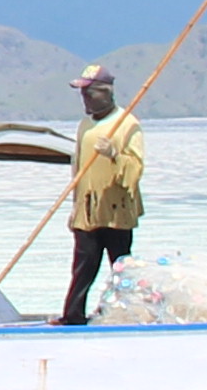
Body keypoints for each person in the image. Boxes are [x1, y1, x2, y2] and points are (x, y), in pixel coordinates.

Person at [57, 62, 146, 323]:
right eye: (82, 94)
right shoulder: (85, 125)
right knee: (83, 265)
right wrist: (74, 208)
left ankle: (127, 313)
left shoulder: (126, 124)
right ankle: (72, 315)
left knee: (120, 267)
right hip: (88, 209)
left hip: (116, 209)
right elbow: (78, 170)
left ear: (105, 92)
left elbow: (136, 169)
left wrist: (115, 154)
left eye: (90, 93)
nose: (85, 99)